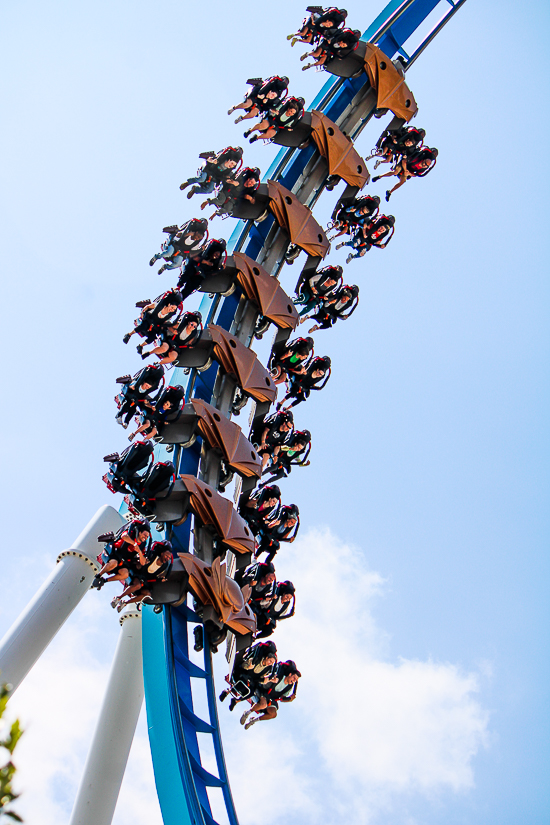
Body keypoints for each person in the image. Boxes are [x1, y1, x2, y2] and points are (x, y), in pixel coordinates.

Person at [111, 540, 173, 612]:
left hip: (145, 579)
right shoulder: (152, 556)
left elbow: (154, 576)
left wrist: (160, 579)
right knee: (138, 585)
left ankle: (125, 603)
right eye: (166, 556)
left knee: (147, 594)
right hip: (137, 574)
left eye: (169, 557)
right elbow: (140, 560)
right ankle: (118, 598)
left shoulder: (163, 566)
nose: (167, 558)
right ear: (162, 553)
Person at [91, 519, 151, 591]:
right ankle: (98, 576)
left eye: (147, 536)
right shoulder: (131, 533)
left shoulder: (142, 545)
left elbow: (143, 562)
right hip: (113, 553)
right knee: (114, 563)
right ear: (140, 532)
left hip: (121, 560)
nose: (145, 537)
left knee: (125, 574)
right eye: (144, 535)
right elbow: (124, 536)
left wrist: (140, 553)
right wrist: (134, 543)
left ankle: (104, 581)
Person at [240, 660, 301, 730]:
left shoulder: (289, 687)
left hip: (271, 697)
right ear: (289, 675)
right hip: (263, 690)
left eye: (296, 680)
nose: (294, 681)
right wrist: (271, 680)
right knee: (263, 704)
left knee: (273, 714)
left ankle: (253, 721)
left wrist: (289, 699)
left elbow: (282, 698)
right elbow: (266, 681)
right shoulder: (280, 676)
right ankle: (247, 713)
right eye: (294, 678)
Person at [219, 640, 278, 710]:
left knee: (251, 692)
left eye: (272, 663)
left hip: (251, 679)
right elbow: (244, 665)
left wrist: (267, 680)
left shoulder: (267, 669)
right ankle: (227, 691)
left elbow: (260, 679)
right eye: (270, 661)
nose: (270, 663)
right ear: (266, 658)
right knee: (243, 681)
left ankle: (236, 700)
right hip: (242, 673)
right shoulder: (256, 659)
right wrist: (248, 667)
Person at [372, 147, 438, 201]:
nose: (424, 165)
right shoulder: (417, 159)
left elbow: (416, 175)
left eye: (427, 165)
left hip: (408, 172)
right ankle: (379, 176)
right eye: (425, 163)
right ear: (424, 160)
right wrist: (405, 169)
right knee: (395, 172)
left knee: (402, 181)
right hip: (403, 165)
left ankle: (389, 192)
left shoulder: (423, 169)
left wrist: (409, 173)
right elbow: (404, 161)